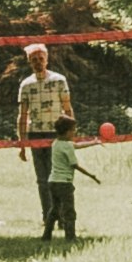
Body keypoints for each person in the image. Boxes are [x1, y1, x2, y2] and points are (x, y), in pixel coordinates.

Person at [13, 39, 80, 241]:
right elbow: (22, 115)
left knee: (58, 178)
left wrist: (72, 134)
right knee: (43, 180)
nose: (37, 62)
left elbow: (67, 108)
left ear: (47, 59)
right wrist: (22, 144)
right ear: (29, 62)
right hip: (35, 135)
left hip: (56, 135)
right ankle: (48, 217)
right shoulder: (26, 84)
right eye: (33, 59)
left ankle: (61, 219)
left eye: (40, 58)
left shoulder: (59, 80)